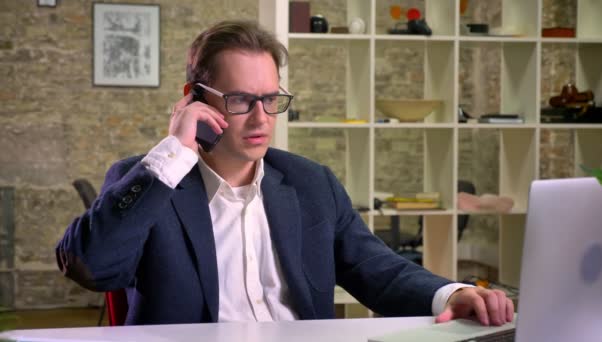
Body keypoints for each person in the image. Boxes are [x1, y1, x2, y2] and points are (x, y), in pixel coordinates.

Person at [56, 20, 514, 326]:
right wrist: (175, 151)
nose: (261, 119)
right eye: (240, 100)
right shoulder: (153, 180)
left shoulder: (310, 183)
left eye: (271, 100)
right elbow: (89, 266)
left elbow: (378, 270)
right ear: (196, 98)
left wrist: (451, 293)